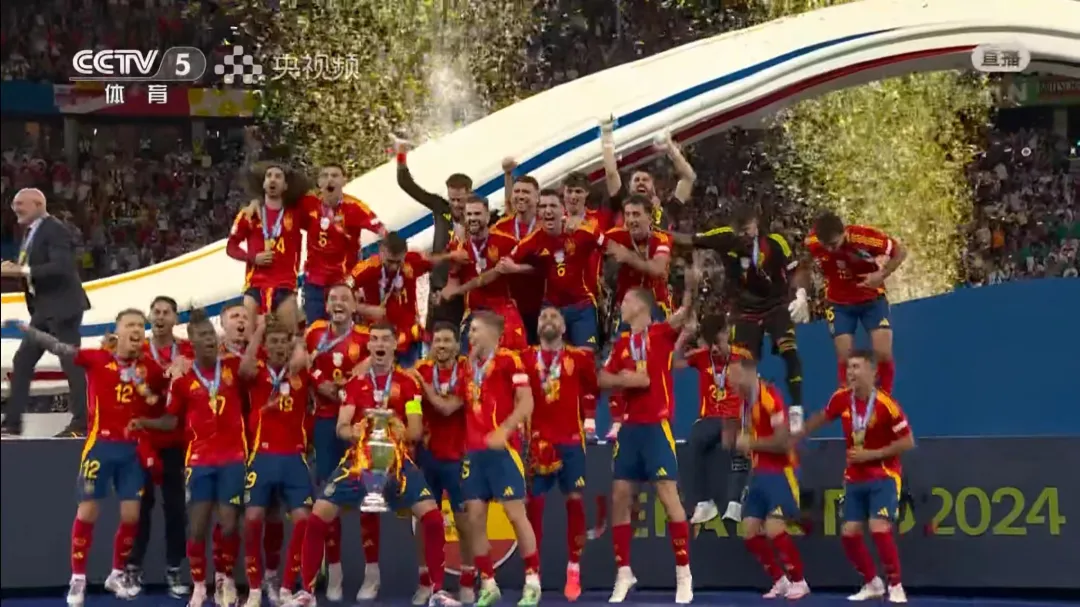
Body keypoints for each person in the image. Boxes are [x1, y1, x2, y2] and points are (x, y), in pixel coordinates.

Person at [7, 309, 169, 605]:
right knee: (88, 513)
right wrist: (30, 332)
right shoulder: (96, 358)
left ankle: (116, 574)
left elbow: (165, 389)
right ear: (117, 331)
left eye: (140, 325)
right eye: (130, 324)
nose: (136, 329)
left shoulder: (149, 367)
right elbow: (59, 347)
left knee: (132, 516)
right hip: (100, 447)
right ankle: (78, 579)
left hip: (132, 450)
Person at [291, 322, 456, 607]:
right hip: (359, 462)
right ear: (369, 346)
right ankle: (306, 592)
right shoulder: (355, 384)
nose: (380, 344)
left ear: (394, 345)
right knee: (317, 517)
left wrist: (402, 429)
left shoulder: (408, 383)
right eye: (375, 339)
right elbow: (341, 426)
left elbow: (416, 431)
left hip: (397, 462)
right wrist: (352, 431)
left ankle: (437, 590)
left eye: (385, 339)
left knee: (432, 517)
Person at [131, 309, 249, 607]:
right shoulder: (182, 380)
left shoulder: (234, 367)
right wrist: (143, 421)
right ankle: (198, 586)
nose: (209, 339)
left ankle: (224, 579)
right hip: (199, 460)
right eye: (202, 335)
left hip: (233, 457)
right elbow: (171, 420)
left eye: (211, 333)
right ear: (191, 342)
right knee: (197, 526)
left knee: (229, 524)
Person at [598, 275, 698, 605]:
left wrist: (690, 288)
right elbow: (601, 378)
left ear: (641, 306)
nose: (621, 306)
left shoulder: (660, 333)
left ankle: (683, 574)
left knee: (668, 497)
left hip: (656, 428)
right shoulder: (621, 344)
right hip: (629, 430)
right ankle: (623, 572)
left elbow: (685, 313)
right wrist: (625, 379)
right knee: (620, 498)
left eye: (626, 301)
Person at [795, 351, 913, 603]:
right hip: (854, 477)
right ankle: (872, 583)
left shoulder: (886, 405)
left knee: (879, 528)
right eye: (849, 368)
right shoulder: (841, 398)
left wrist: (872, 454)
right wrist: (799, 433)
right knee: (849, 534)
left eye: (857, 367)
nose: (851, 373)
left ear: (873, 372)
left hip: (884, 475)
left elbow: (907, 442)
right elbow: (823, 416)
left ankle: (896, 585)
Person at [674, 207, 807, 423]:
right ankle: (747, 417)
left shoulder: (776, 242)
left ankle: (796, 410)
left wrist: (801, 294)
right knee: (743, 364)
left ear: (756, 226)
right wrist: (656, 233)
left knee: (789, 350)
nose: (744, 236)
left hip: (776, 305)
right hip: (744, 310)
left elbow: (795, 270)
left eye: (747, 230)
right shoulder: (726, 237)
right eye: (740, 232)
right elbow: (688, 239)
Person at [457, 311, 541, 607]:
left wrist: (505, 430)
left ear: (493, 333)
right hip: (474, 452)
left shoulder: (510, 360)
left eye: (475, 330)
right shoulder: (466, 366)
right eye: (469, 330)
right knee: (475, 519)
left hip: (503, 451)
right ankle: (488, 583)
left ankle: (532, 581)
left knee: (515, 514)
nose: (470, 335)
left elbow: (527, 402)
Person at [298, 283, 370, 601]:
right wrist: (318, 382)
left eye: (345, 298)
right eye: (332, 298)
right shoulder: (314, 333)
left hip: (357, 423)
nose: (338, 303)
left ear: (355, 306)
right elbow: (302, 362)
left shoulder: (367, 338)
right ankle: (335, 571)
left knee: (369, 496)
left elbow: (379, 370)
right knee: (329, 497)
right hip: (326, 422)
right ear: (326, 305)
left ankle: (372, 573)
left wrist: (356, 379)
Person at [520, 306, 597, 601]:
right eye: (543, 317)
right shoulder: (524, 358)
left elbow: (593, 389)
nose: (548, 320)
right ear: (537, 326)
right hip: (538, 443)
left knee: (575, 504)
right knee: (534, 509)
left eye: (554, 317)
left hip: (571, 442)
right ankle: (533, 575)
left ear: (564, 327)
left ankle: (574, 569)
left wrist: (590, 417)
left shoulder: (580, 357)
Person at [1, 187, 91, 437]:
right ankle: (12, 423)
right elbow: (35, 267)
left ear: (38, 204)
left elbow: (61, 267)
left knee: (72, 364)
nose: (15, 208)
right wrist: (15, 268)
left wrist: (21, 271)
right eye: (14, 204)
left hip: (62, 307)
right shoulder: (32, 231)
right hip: (43, 309)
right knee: (23, 360)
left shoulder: (55, 229)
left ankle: (82, 423)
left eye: (21, 203)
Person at [239, 315, 314, 607]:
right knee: (253, 518)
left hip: (294, 457)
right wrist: (259, 330)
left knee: (303, 520)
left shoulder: (301, 371)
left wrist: (299, 345)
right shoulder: (257, 371)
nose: (279, 346)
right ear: (265, 346)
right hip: (262, 456)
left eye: (284, 342)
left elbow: (305, 358)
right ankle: (254, 589)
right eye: (274, 342)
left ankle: (284, 586)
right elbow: (244, 368)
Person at [127, 296, 194, 598]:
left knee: (176, 509)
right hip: (144, 439)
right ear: (149, 316)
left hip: (176, 441)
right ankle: (132, 569)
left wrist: (189, 364)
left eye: (167, 312)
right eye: (156, 312)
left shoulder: (188, 350)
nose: (161, 316)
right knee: (140, 507)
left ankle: (174, 568)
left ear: (175, 319)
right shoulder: (138, 350)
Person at [727, 357, 809, 600]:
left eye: (733, 376)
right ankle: (780, 580)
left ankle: (799, 581)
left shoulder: (769, 397)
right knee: (749, 531)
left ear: (749, 373)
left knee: (774, 528)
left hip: (781, 472)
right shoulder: (744, 402)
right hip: (758, 473)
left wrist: (751, 443)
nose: (729, 382)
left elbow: (783, 442)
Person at [802, 211, 907, 392]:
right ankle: (849, 400)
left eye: (834, 244)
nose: (830, 249)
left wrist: (881, 274)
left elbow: (901, 252)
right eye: (826, 245)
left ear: (844, 232)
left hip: (872, 298)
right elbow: (805, 264)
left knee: (883, 352)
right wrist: (802, 292)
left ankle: (884, 398)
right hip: (839, 303)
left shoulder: (864, 237)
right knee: (845, 357)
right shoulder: (811, 242)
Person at [601, 195, 676, 439]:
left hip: (656, 309)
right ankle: (617, 419)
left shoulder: (661, 239)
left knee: (656, 366)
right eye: (628, 215)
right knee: (617, 362)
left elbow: (657, 269)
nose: (631, 220)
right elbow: (592, 241)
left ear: (649, 216)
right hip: (628, 310)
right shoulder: (616, 236)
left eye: (636, 214)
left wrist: (627, 256)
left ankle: (661, 415)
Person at [412, 322, 476, 604]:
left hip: (458, 457)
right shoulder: (421, 369)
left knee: (463, 522)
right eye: (437, 340)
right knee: (425, 522)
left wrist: (424, 387)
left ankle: (467, 580)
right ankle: (425, 582)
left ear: (457, 345)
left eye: (447, 340)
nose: (441, 345)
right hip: (427, 457)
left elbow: (448, 408)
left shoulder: (466, 371)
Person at [500, 189, 608, 350]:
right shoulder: (533, 240)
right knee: (549, 356)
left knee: (586, 356)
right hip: (551, 308)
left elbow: (610, 247)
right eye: (543, 206)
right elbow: (506, 263)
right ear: (538, 212)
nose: (548, 210)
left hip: (582, 306)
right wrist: (517, 268)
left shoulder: (582, 230)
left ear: (563, 209)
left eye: (552, 205)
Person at [349, 231, 464, 367]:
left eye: (398, 262)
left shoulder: (412, 261)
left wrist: (450, 255)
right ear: (381, 252)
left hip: (408, 337)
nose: (394, 267)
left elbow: (431, 260)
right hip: (379, 338)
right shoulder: (367, 268)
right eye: (390, 261)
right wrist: (365, 309)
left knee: (409, 376)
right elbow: (338, 292)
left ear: (405, 254)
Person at [393, 138, 471, 329]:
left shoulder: (480, 213)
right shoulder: (440, 207)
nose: (455, 205)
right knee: (435, 336)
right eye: (452, 199)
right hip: (439, 285)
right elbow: (407, 184)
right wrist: (401, 155)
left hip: (468, 288)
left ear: (469, 193)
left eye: (460, 200)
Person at [677, 314, 743, 525]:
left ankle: (735, 503)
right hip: (710, 418)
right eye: (710, 342)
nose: (714, 348)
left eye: (717, 341)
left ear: (727, 334)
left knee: (740, 443)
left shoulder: (742, 357)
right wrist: (684, 336)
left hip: (734, 418)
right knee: (694, 441)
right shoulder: (702, 356)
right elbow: (675, 363)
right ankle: (704, 502)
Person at [226, 162, 310, 329]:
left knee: (288, 337)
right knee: (249, 336)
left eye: (278, 177)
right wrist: (252, 258)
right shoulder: (249, 214)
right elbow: (231, 247)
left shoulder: (296, 213)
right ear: (263, 184)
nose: (273, 179)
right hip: (255, 285)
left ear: (285, 186)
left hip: (285, 286)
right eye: (269, 176)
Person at [298, 163, 385, 323]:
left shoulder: (355, 207)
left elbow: (383, 231)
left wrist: (377, 261)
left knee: (344, 330)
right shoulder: (308, 203)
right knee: (316, 330)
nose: (329, 179)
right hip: (314, 282)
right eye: (325, 176)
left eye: (335, 175)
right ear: (319, 182)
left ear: (344, 180)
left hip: (343, 282)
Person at [440, 195, 527, 352]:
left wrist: (515, 268)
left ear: (487, 216)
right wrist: (453, 270)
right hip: (476, 314)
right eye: (469, 214)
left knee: (513, 358)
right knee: (471, 363)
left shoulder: (506, 241)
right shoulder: (458, 249)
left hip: (503, 312)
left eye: (477, 214)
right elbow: (449, 293)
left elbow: (532, 266)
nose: (473, 218)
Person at [599, 122, 695, 229]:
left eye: (645, 180)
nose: (641, 182)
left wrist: (670, 148)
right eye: (637, 180)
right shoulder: (620, 204)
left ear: (653, 187)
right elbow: (611, 173)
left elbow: (688, 178)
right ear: (629, 187)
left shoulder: (667, 211)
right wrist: (607, 134)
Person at [493, 171, 543, 344]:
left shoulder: (546, 225)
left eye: (526, 192)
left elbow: (550, 265)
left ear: (537, 197)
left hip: (544, 305)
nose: (520, 196)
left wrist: (517, 269)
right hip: (512, 307)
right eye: (517, 191)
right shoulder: (500, 227)